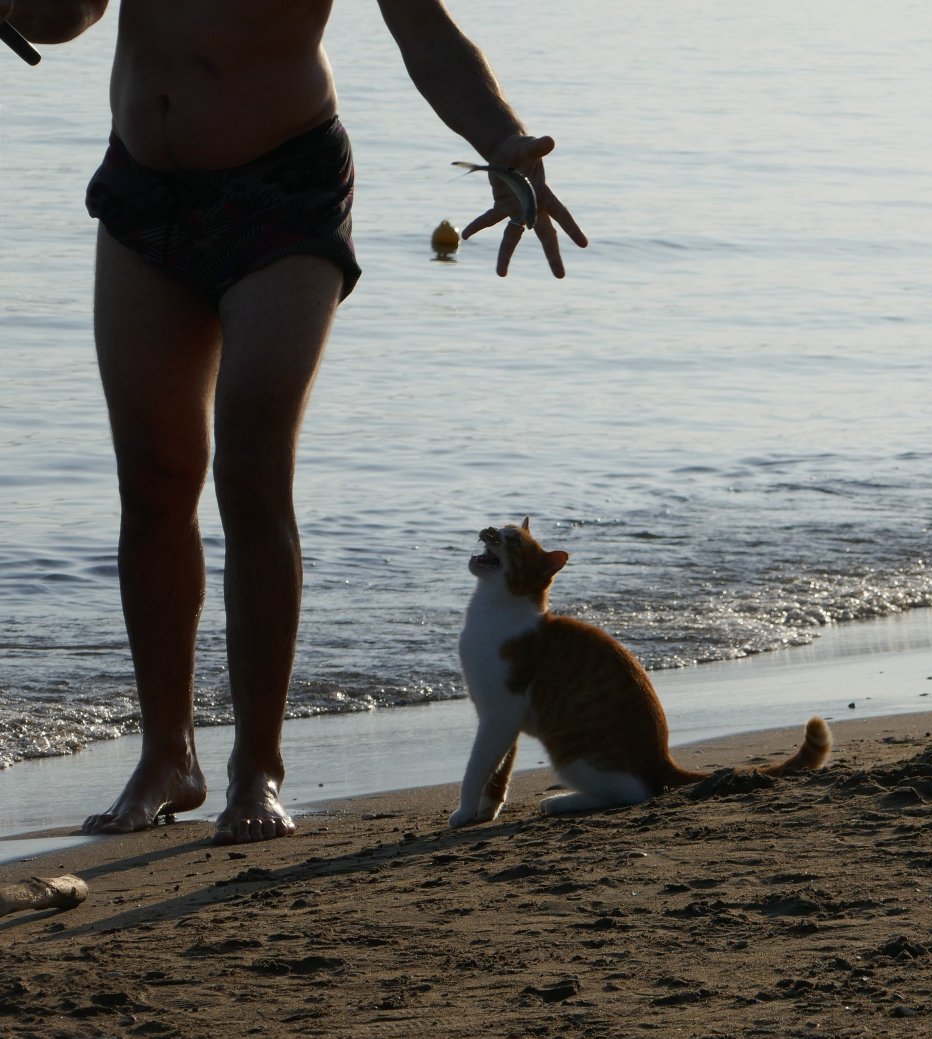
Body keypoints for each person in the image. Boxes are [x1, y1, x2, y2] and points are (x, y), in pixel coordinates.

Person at [0, 0, 587, 844]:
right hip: (142, 190)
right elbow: (73, 12)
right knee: (155, 481)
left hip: (284, 192)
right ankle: (167, 756)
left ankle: (257, 768)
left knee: (250, 467)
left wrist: (502, 143)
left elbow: (424, 31)